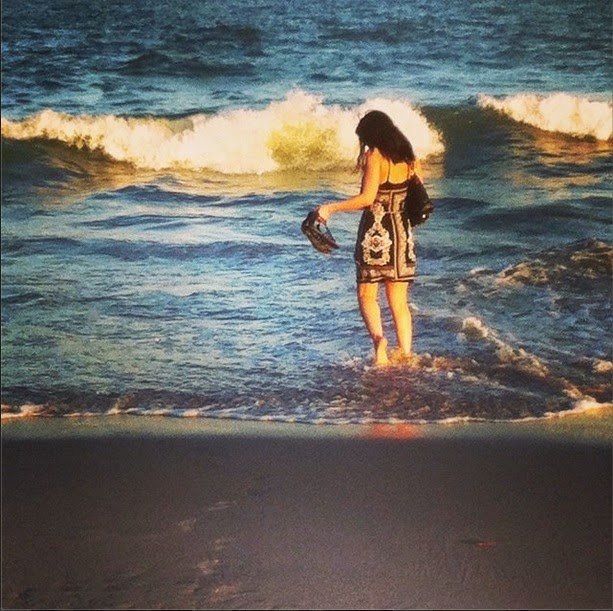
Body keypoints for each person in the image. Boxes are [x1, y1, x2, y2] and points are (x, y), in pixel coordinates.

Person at [315, 110, 423, 366]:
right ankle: (405, 353)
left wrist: (330, 208)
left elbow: (367, 199)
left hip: (376, 233)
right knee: (399, 301)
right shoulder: (410, 158)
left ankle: (379, 341)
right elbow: (417, 195)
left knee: (366, 294)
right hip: (403, 233)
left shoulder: (375, 156)